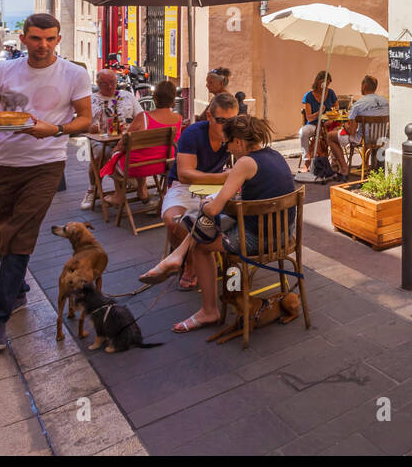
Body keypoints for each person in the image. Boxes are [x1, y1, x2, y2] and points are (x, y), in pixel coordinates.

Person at [0, 13, 92, 354]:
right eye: (36, 38)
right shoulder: (3, 71)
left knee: (20, 234)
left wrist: (59, 130)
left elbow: (85, 120)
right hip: (4, 162)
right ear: (23, 39)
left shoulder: (74, 74)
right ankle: (17, 286)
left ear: (58, 40)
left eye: (50, 39)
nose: (43, 45)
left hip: (46, 164)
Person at [140, 114, 296, 333]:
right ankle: (177, 258)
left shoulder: (244, 163)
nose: (228, 148)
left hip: (259, 240)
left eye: (229, 143)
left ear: (239, 142)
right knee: (212, 222)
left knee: (203, 242)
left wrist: (205, 205)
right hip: (284, 234)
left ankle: (209, 310)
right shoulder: (275, 155)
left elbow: (213, 209)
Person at [160, 91, 240, 290]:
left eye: (234, 120)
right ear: (209, 117)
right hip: (184, 187)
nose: (228, 126)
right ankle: (191, 262)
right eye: (222, 120)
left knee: (231, 220)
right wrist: (223, 177)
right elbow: (185, 174)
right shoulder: (194, 133)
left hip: (214, 189)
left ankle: (198, 260)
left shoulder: (233, 134)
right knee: (174, 221)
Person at [98, 80, 182, 209]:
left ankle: (119, 195)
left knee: (113, 154)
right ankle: (142, 190)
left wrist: (116, 148)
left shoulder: (143, 117)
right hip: (164, 166)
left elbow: (124, 142)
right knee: (142, 152)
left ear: (154, 97)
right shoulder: (178, 119)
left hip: (135, 167)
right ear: (172, 99)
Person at [80, 68, 139, 210]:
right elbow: (82, 124)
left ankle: (129, 179)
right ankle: (93, 188)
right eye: (105, 84)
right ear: (98, 84)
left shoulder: (127, 95)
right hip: (102, 139)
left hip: (126, 138)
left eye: (112, 82)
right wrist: (89, 128)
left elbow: (140, 116)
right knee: (102, 154)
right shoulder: (91, 100)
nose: (110, 86)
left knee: (140, 148)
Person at [325, 74, 388, 182]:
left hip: (363, 139)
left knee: (330, 136)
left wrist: (345, 126)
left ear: (363, 86)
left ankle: (344, 169)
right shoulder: (384, 102)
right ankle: (366, 165)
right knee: (358, 132)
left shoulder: (359, 104)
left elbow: (352, 131)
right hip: (381, 138)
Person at [298, 71, 338, 174]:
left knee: (336, 133)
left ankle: (334, 161)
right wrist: (318, 112)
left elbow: (336, 108)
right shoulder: (308, 96)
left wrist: (331, 119)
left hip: (328, 125)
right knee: (303, 132)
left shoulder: (331, 93)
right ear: (318, 82)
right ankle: (307, 161)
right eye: (324, 83)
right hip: (313, 125)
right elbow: (309, 118)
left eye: (328, 83)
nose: (326, 86)